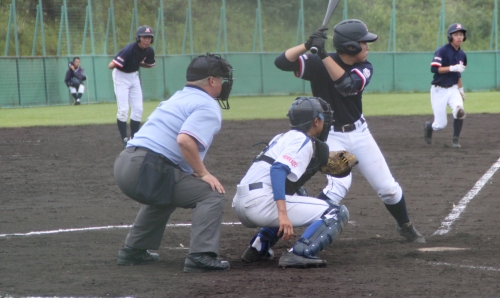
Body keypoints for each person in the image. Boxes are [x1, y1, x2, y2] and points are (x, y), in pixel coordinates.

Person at [274, 19, 426, 243]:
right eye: (364, 43)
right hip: (331, 137)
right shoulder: (317, 62)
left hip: (360, 134)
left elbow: (347, 86)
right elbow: (281, 62)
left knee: (389, 189)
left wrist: (322, 54)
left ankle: (405, 225)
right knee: (339, 184)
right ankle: (310, 236)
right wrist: (307, 45)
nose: (367, 46)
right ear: (351, 47)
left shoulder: (364, 67)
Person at [113, 53, 234, 273]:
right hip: (147, 167)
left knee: (166, 190)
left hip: (125, 163)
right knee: (211, 194)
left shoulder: (179, 96)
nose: (223, 83)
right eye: (221, 79)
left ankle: (133, 250)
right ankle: (201, 256)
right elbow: (185, 141)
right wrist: (203, 173)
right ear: (211, 80)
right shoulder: (207, 105)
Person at [233, 96, 350, 268]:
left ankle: (259, 246)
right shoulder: (303, 140)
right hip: (259, 204)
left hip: (241, 202)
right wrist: (282, 214)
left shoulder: (282, 137)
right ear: (316, 121)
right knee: (336, 212)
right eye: (324, 119)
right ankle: (300, 253)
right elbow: (278, 169)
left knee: (298, 193)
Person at [108, 25, 156, 146]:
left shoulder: (149, 51)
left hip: (134, 76)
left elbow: (150, 65)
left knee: (138, 109)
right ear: (138, 38)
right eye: (144, 37)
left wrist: (138, 63)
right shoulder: (129, 50)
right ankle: (125, 139)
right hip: (121, 76)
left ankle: (134, 139)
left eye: (149, 37)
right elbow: (111, 65)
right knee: (123, 109)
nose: (147, 40)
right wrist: (124, 62)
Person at [423, 23, 468, 148]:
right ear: (450, 36)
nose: (459, 37)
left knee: (459, 111)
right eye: (456, 34)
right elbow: (434, 69)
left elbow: (458, 74)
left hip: (453, 89)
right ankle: (429, 126)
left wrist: (461, 89)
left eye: (461, 34)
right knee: (440, 125)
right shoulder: (442, 51)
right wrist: (452, 68)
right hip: (439, 90)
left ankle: (455, 140)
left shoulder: (462, 55)